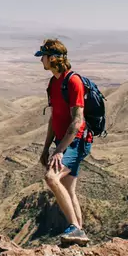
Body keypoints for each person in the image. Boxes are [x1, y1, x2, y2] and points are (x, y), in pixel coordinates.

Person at [36, 38, 91, 244]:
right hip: (63, 142)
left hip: (76, 142)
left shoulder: (73, 81)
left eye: (43, 56)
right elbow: (54, 118)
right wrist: (46, 148)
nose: (41, 60)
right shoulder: (53, 82)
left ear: (52, 58)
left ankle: (75, 228)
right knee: (68, 190)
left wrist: (59, 151)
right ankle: (80, 236)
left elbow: (77, 122)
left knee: (51, 177)